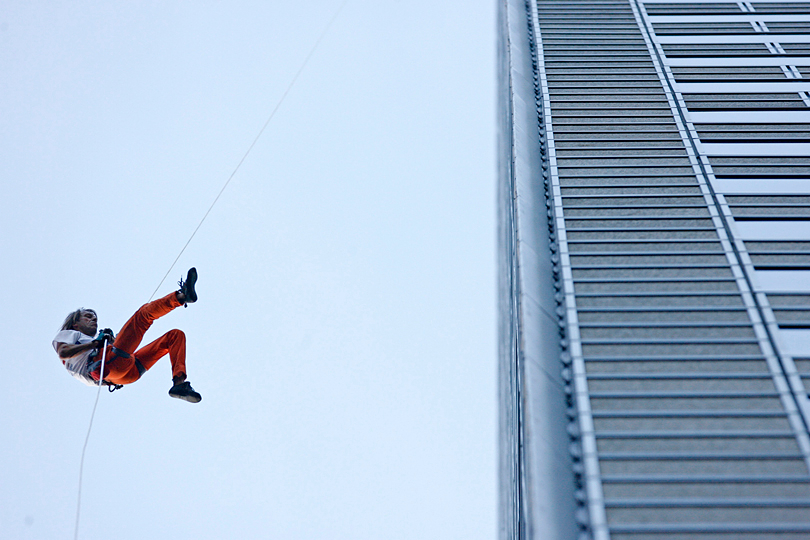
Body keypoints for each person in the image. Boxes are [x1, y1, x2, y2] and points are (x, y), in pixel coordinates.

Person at [52, 268, 202, 403]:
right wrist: (96, 344)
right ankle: (181, 297)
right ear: (75, 324)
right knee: (143, 315)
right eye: (88, 317)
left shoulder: (88, 345)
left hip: (125, 374)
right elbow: (63, 352)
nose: (94, 320)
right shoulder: (68, 334)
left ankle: (179, 385)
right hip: (110, 365)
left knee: (175, 336)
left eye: (94, 318)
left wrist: (111, 341)